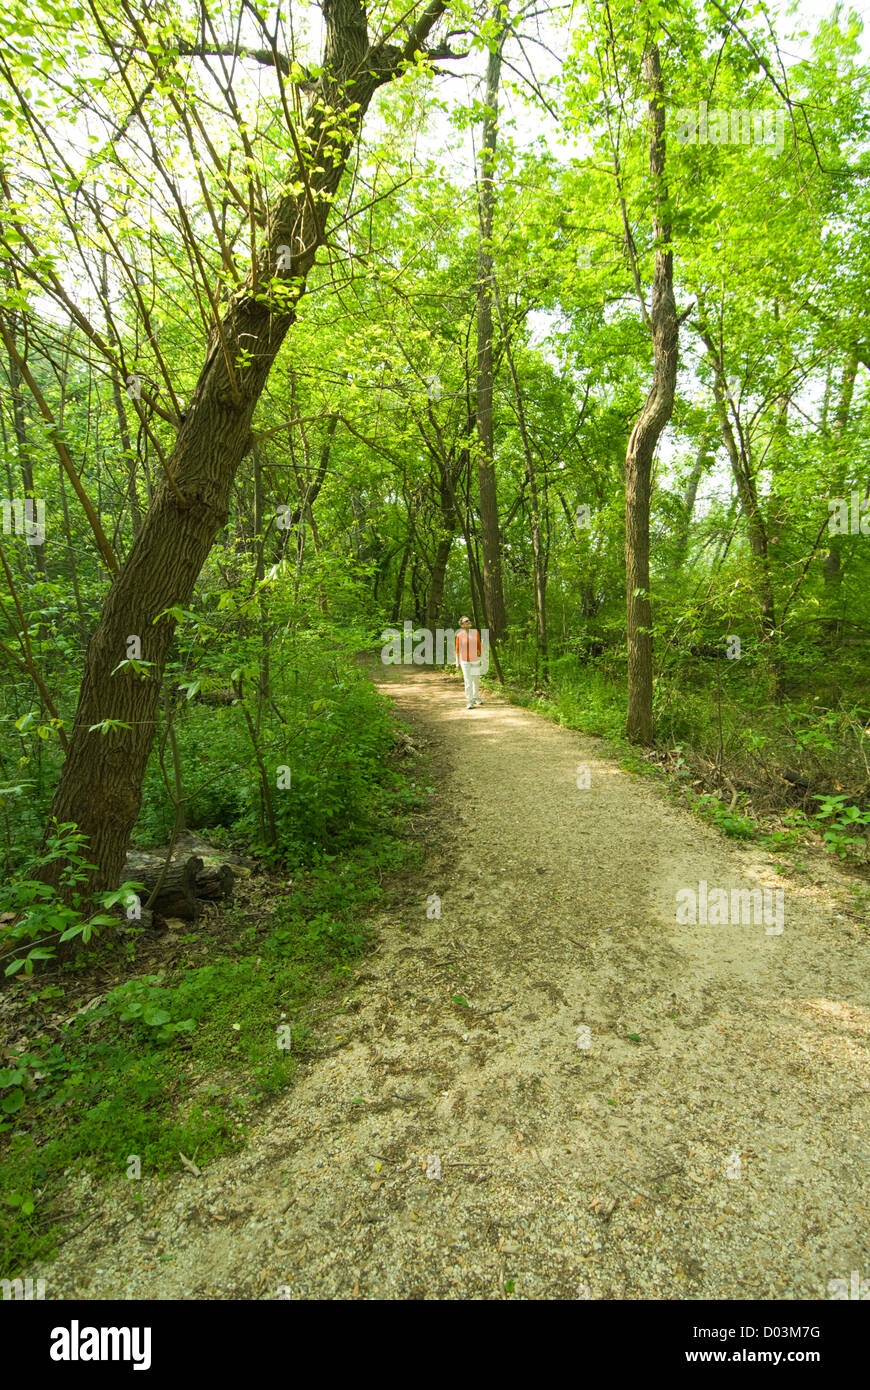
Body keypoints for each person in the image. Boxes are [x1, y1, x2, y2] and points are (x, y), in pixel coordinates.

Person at [455, 616, 483, 709]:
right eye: (466, 621)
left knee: (476, 680)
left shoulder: (475, 633)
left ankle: (476, 697)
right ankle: (469, 701)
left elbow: (479, 646)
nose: (469, 621)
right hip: (465, 661)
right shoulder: (459, 635)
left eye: (469, 620)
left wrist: (483, 658)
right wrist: (457, 662)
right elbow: (457, 650)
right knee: (468, 681)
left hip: (475, 659)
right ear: (462, 625)